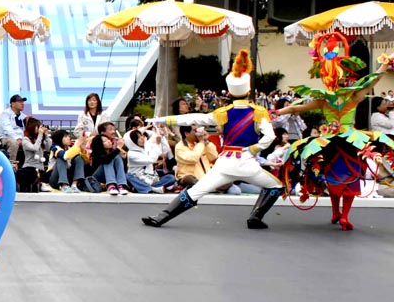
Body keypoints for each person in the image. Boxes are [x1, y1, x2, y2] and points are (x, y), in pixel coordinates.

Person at [143, 50, 285, 228]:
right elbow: (270, 136)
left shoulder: (222, 113)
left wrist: (160, 119)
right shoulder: (258, 112)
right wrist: (253, 149)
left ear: (231, 93)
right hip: (247, 164)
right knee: (276, 187)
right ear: (248, 90)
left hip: (224, 163)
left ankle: (161, 217)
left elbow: (191, 118)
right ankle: (255, 218)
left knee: (196, 192)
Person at [275, 36, 394, 230]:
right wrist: (386, 62)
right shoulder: (354, 96)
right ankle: (344, 215)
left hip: (329, 143)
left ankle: (335, 212)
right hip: (351, 142)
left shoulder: (324, 100)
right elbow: (373, 79)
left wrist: (275, 112)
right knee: (351, 176)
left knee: (332, 175)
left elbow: (297, 108)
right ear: (345, 76)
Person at [89, 122, 128, 194]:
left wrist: (124, 158)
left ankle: (121, 185)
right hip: (97, 177)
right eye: (105, 141)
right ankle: (111, 185)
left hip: (111, 176)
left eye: (108, 140)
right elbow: (106, 160)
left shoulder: (114, 152)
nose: (109, 142)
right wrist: (118, 148)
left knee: (115, 156)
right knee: (108, 160)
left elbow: (123, 170)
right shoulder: (96, 152)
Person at [17, 118, 50, 192]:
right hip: (29, 168)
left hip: (40, 169)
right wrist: (40, 135)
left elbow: (48, 148)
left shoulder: (39, 139)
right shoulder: (25, 139)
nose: (39, 129)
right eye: (37, 127)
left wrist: (46, 135)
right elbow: (35, 148)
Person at [0, 94, 28, 164]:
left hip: (21, 137)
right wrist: (17, 138)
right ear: (13, 104)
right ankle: (10, 165)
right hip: (6, 137)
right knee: (14, 143)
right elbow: (7, 129)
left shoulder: (23, 116)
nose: (22, 104)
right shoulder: (5, 114)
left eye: (23, 102)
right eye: (20, 102)